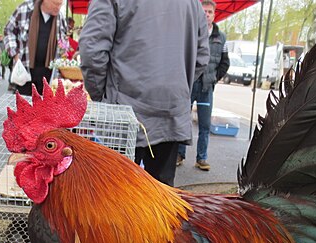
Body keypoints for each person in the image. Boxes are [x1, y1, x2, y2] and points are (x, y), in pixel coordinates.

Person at [80, 0, 209, 186]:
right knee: (160, 202)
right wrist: (178, 85)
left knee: (115, 196)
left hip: (123, 113)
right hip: (171, 111)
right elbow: (202, 56)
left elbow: (91, 50)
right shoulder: (193, 3)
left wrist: (101, 95)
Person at [177, 0, 229, 171]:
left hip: (207, 88)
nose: (206, 15)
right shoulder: (191, 32)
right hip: (190, 85)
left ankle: (201, 158)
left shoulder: (221, 38)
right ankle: (179, 154)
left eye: (209, 12)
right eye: (204, 11)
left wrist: (214, 78)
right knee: (183, 121)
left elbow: (225, 63)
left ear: (214, 15)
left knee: (204, 125)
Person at [3, 0, 68, 96]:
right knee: (24, 107)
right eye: (55, 4)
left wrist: (63, 53)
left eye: (60, 4)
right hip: (25, 72)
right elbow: (9, 30)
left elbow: (64, 41)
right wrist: (14, 53)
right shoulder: (24, 9)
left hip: (49, 75)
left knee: (45, 108)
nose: (58, 8)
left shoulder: (60, 17)